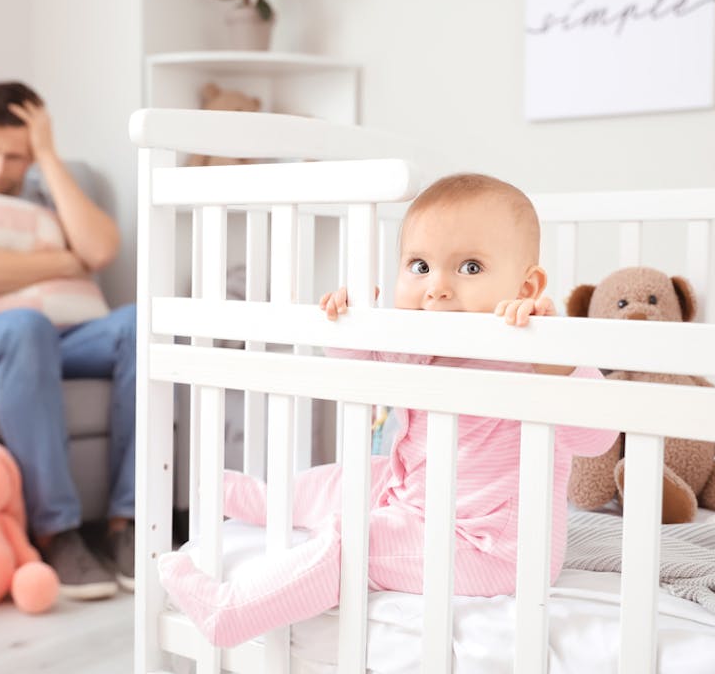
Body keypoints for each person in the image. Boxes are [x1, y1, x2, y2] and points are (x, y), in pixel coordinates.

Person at [156, 173, 620, 646]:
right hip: (413, 492)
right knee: (345, 478)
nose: (436, 288)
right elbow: (360, 375)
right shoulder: (415, 339)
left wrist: (559, 361)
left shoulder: (533, 353)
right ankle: (261, 499)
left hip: (488, 544)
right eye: (419, 266)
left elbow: (596, 438)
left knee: (350, 539)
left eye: (471, 268)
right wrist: (350, 327)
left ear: (527, 288)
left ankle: (232, 611)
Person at [0, 81, 135, 600]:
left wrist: (49, 159)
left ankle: (130, 521)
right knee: (25, 324)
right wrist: (62, 261)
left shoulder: (47, 191)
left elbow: (99, 248)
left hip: (67, 338)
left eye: (16, 156)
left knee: (137, 323)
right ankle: (56, 529)